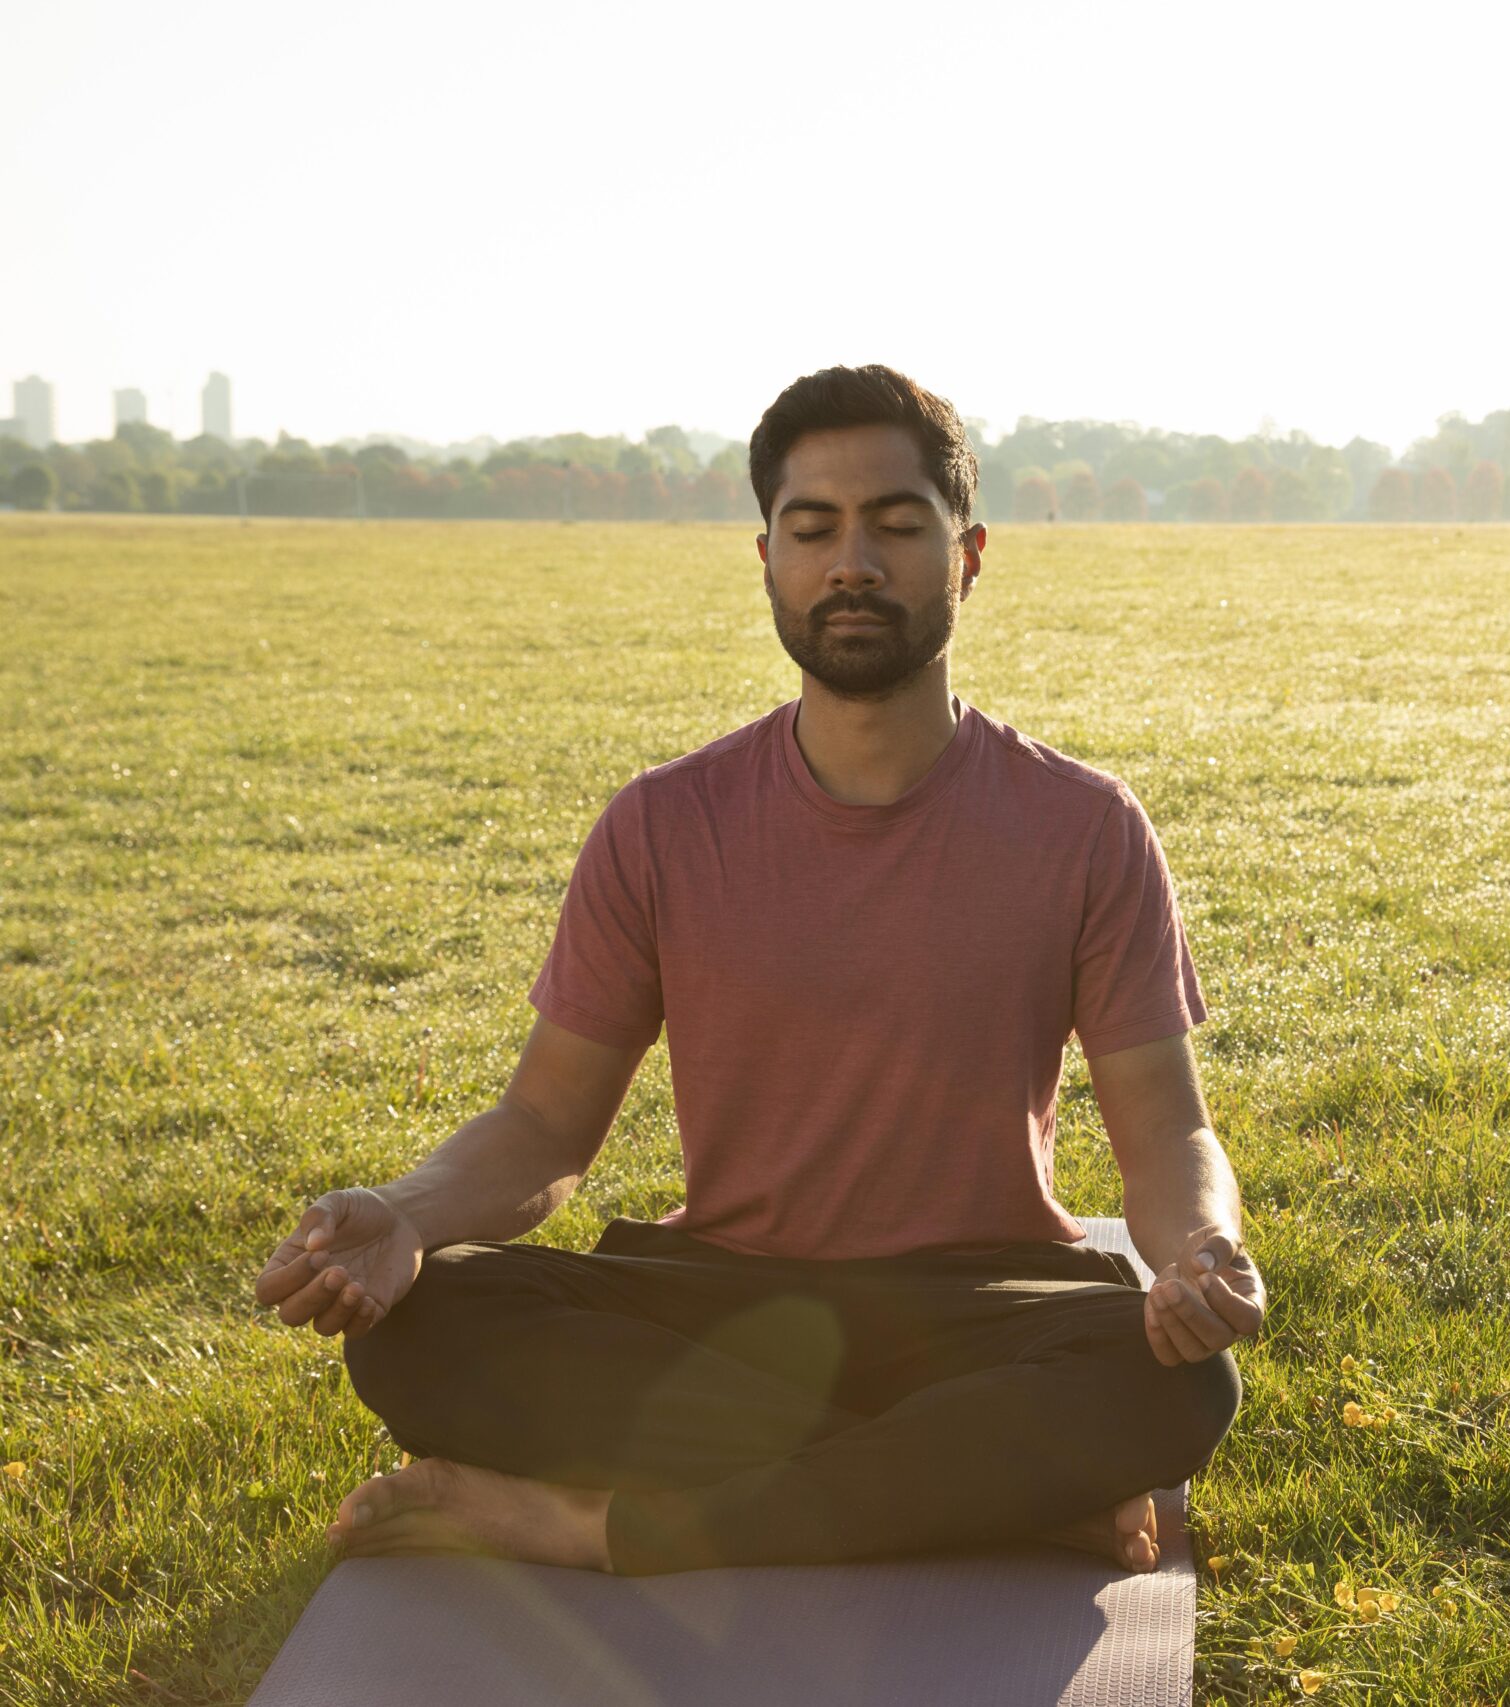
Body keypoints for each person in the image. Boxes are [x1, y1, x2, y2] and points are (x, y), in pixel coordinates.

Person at [252, 364, 1262, 1577]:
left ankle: (600, 1527)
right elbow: (544, 1129)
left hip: (980, 1301)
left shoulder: (1085, 826)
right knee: (427, 1329)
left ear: (969, 554)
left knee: (1176, 1385)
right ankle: (980, 1494)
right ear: (768, 558)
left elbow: (1166, 1136)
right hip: (721, 1298)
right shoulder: (665, 823)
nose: (854, 563)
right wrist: (407, 1218)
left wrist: (1200, 1249)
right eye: (814, 528)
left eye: (897, 525)